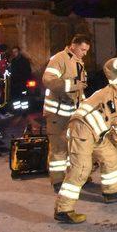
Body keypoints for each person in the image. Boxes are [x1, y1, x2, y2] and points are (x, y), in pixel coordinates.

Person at [54, 58, 117, 224]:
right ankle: (63, 210)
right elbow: (110, 66)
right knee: (81, 170)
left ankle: (112, 193)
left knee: (111, 157)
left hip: (96, 134)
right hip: (82, 127)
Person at [42, 34, 90, 191]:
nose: (85, 53)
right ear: (74, 45)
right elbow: (48, 80)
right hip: (57, 114)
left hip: (72, 113)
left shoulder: (77, 61)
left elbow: (79, 90)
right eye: (82, 49)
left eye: (86, 50)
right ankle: (57, 181)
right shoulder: (59, 58)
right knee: (58, 149)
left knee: (73, 146)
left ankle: (72, 176)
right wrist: (72, 85)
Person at [8, 46, 32, 114]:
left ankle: (24, 112)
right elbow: (12, 72)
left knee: (23, 98)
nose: (14, 53)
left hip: (22, 83)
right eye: (13, 52)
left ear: (19, 52)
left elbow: (28, 72)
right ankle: (17, 111)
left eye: (16, 52)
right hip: (15, 83)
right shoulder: (13, 61)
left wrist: (26, 81)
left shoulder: (24, 61)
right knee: (16, 98)